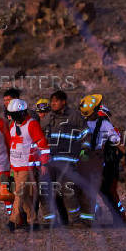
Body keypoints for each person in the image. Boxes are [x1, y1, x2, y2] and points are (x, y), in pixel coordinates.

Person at [40, 90, 88, 226]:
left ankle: (75, 220)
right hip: (49, 160)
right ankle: (50, 221)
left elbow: (86, 133)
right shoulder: (48, 118)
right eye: (52, 101)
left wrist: (85, 151)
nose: (53, 104)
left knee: (68, 190)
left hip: (68, 160)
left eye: (56, 101)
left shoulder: (75, 116)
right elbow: (38, 134)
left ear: (63, 102)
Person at [78, 94, 123, 226]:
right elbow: (117, 140)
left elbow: (117, 140)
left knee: (101, 189)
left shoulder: (100, 124)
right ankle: (93, 214)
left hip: (96, 159)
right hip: (89, 158)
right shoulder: (101, 124)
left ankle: (114, 217)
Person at [7, 99, 50, 231]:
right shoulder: (12, 126)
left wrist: (44, 164)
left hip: (27, 165)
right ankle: (33, 221)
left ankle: (12, 220)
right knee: (24, 196)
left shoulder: (32, 125)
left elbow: (43, 145)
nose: (12, 118)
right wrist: (11, 168)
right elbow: (13, 146)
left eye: (14, 115)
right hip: (15, 165)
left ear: (22, 112)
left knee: (19, 192)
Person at [97, 104, 126, 223]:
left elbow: (120, 146)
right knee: (105, 191)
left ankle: (119, 216)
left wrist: (123, 159)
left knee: (109, 191)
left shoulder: (110, 128)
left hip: (110, 164)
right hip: (105, 164)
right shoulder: (98, 127)